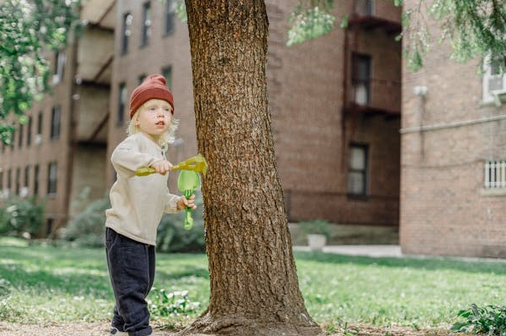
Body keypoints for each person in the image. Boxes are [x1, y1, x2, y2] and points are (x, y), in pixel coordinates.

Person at [105, 74, 196, 336]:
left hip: (145, 234)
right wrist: (149, 162)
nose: (161, 115)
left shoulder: (159, 151)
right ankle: (139, 330)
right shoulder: (136, 144)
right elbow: (118, 156)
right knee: (132, 288)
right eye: (152, 108)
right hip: (123, 231)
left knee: (139, 285)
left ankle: (119, 327)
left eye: (167, 110)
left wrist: (176, 202)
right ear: (136, 118)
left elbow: (157, 194)